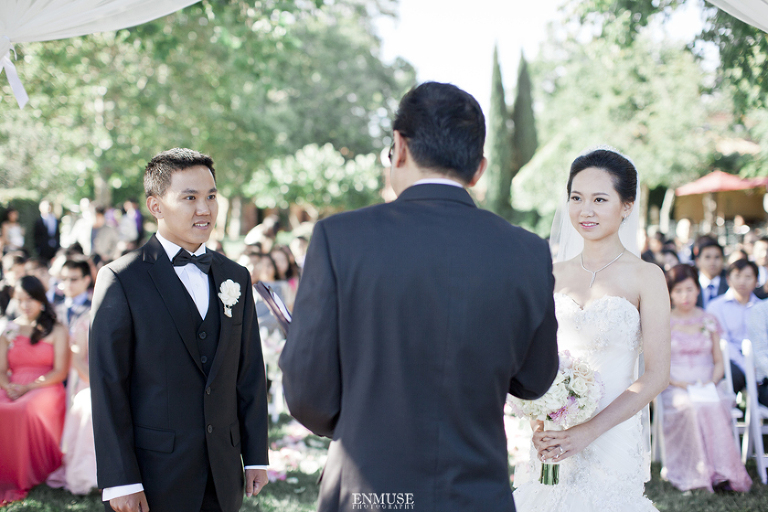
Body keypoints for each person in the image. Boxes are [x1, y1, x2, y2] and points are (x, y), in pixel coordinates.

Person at [279, 82, 559, 511]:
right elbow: (536, 378)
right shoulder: (527, 251)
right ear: (479, 168)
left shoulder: (341, 238)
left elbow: (307, 395)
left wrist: (361, 415)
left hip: (369, 491)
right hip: (476, 494)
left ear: (399, 147)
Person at [89, 148, 269, 512]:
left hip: (223, 471)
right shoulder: (121, 279)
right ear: (156, 206)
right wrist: (121, 480)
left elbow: (249, 372)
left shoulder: (236, 276)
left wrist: (255, 456)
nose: (204, 209)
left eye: (211, 197)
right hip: (154, 474)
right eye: (189, 198)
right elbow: (108, 387)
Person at [513, 148, 671, 511]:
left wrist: (587, 432)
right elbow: (535, 359)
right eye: (576, 198)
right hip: (553, 433)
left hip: (613, 432)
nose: (586, 210)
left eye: (600, 199)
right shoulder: (550, 273)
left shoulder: (647, 276)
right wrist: (541, 420)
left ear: (626, 206)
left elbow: (658, 374)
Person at [660, 264, 751, 492]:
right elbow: (660, 364)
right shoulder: (664, 321)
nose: (685, 296)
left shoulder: (708, 319)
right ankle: (697, 472)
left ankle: (723, 472)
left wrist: (713, 380)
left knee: (714, 402)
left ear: (697, 290)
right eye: (679, 290)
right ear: (670, 292)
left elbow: (719, 360)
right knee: (690, 406)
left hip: (707, 382)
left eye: (689, 289)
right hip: (676, 384)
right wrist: (680, 383)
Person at [0, 275, 69, 504]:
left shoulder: (57, 330)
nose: (24, 305)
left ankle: (27, 472)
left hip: (46, 386)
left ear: (41, 299)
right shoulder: (9, 330)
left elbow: (60, 371)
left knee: (23, 409)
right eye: (19, 300)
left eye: (29, 299)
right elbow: (1, 369)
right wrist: (8, 386)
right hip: (13, 385)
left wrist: (28, 387)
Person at [706, 259, 760, 396]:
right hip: (731, 359)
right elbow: (723, 342)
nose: (742, 281)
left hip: (758, 360)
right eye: (737, 276)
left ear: (756, 281)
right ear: (728, 279)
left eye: (748, 277)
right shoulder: (716, 306)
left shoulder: (762, 308)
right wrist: (746, 366)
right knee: (731, 374)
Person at [56, 258, 93, 332]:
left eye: (74, 279)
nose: (68, 284)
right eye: (64, 279)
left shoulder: (94, 308)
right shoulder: (55, 309)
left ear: (86, 280)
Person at [695, 237, 727, 309]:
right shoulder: (691, 283)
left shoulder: (729, 285)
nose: (712, 262)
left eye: (717, 257)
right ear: (697, 261)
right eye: (707, 257)